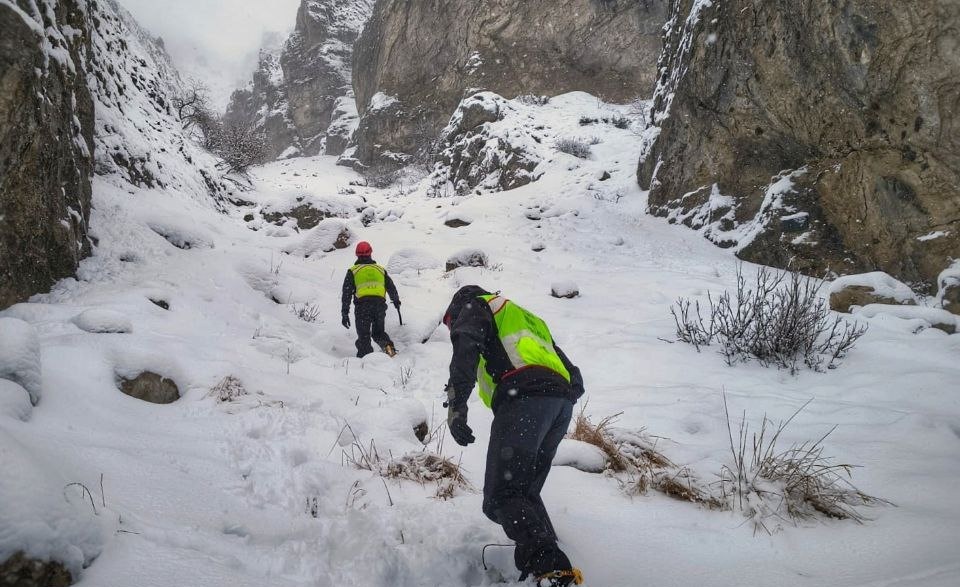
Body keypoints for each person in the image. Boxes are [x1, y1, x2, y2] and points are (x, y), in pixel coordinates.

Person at [442, 285, 585, 587]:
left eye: (450, 322)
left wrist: (457, 406)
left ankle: (551, 571)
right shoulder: (525, 317)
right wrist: (557, 397)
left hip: (524, 398)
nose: (453, 327)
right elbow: (574, 376)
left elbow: (465, 347)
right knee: (525, 493)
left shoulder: (475, 306)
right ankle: (542, 563)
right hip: (558, 407)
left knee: (502, 495)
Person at [341, 241, 401, 358]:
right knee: (379, 333)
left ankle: (365, 362)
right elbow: (391, 287)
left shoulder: (353, 271)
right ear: (370, 253)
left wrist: (345, 312)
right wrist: (396, 301)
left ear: (357, 254)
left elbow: (346, 293)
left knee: (364, 336)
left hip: (362, 307)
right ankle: (390, 351)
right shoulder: (380, 270)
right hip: (379, 306)